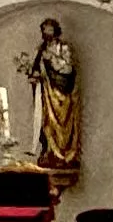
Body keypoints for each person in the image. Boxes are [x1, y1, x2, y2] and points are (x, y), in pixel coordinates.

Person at [20, 17, 82, 174]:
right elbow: (35, 69)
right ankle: (50, 152)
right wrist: (33, 75)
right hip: (46, 94)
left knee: (62, 123)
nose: (46, 33)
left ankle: (63, 154)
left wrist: (52, 60)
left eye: (49, 30)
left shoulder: (64, 48)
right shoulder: (40, 50)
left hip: (61, 92)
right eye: (44, 30)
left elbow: (68, 69)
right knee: (47, 122)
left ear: (55, 31)